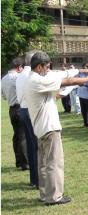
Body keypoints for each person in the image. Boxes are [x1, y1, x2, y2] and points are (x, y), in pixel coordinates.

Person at [24, 51, 88, 205]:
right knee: (54, 163)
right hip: (49, 128)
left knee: (44, 164)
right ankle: (54, 196)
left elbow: (59, 74)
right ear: (39, 67)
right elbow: (65, 81)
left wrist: (82, 71)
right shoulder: (36, 81)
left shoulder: (33, 78)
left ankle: (45, 194)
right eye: (46, 67)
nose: (48, 70)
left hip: (42, 127)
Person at [16, 51, 40, 187]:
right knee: (36, 146)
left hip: (23, 110)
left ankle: (34, 179)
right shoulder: (30, 75)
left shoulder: (21, 75)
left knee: (32, 146)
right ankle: (37, 180)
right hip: (29, 110)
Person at [2, 57, 29, 171]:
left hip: (11, 109)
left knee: (16, 136)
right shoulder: (18, 77)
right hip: (20, 107)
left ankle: (19, 161)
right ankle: (25, 163)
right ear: (19, 67)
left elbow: (3, 95)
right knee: (23, 136)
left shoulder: (3, 79)